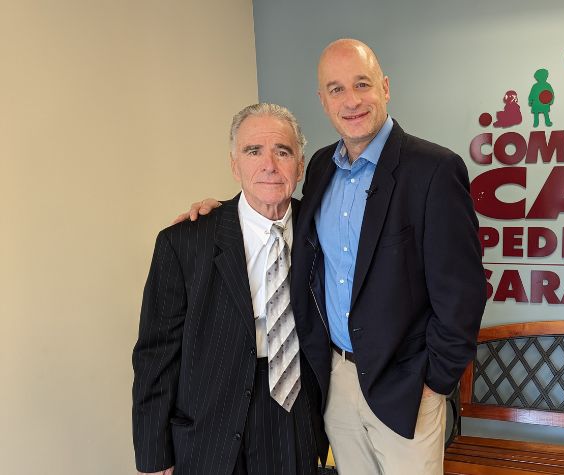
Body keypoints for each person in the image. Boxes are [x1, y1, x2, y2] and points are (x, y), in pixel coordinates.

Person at [179, 39, 487, 475]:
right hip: (336, 378)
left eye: (362, 84)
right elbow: (281, 215)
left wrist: (435, 381)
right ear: (323, 101)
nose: (351, 100)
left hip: (405, 383)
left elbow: (463, 293)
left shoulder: (433, 169)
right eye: (336, 89)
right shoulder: (322, 167)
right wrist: (220, 214)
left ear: (385, 87)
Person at [133, 103, 327, 475]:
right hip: (209, 422)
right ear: (234, 165)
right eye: (253, 151)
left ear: (300, 165)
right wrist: (153, 453)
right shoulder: (184, 242)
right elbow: (155, 355)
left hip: (295, 413)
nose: (269, 165)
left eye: (282, 151)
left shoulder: (323, 232)